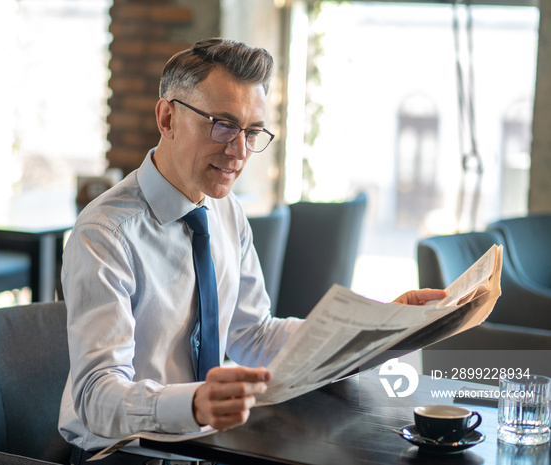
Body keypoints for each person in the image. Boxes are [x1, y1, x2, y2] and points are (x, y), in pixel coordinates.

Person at [59, 38, 445, 465]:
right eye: (222, 124)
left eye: (252, 131)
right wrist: (192, 404)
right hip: (123, 453)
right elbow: (96, 397)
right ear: (167, 117)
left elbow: (253, 335)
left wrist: (379, 327)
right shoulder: (105, 232)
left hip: (207, 445)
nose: (239, 151)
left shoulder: (226, 210)